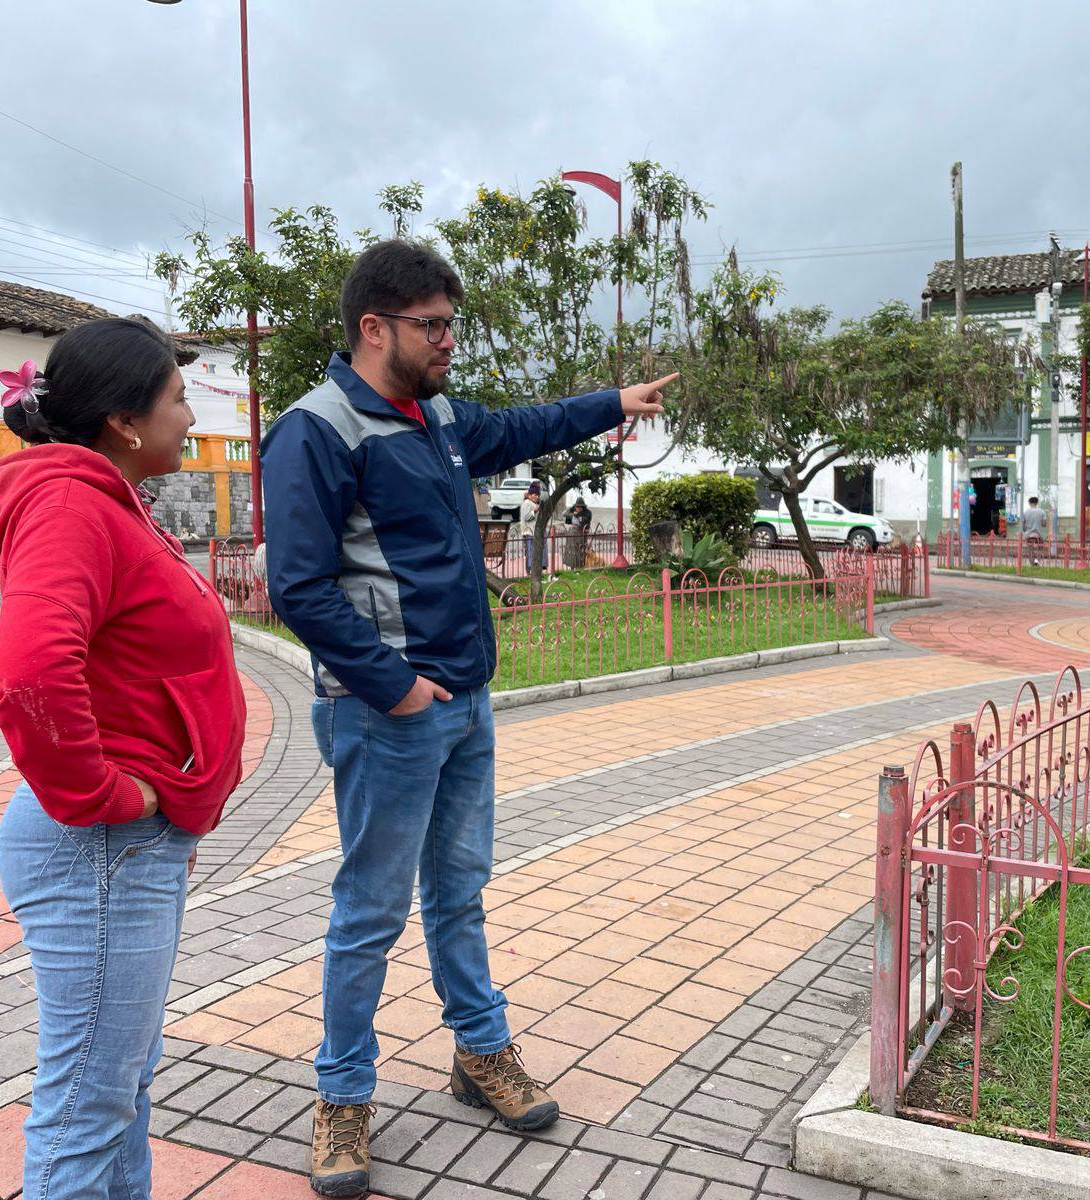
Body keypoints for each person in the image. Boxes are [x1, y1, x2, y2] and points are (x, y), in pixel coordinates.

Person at [260, 239, 673, 1196]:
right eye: (433, 325)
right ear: (374, 328)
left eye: (452, 323)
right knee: (370, 910)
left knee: (460, 890)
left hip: (467, 702)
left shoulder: (438, 416)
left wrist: (613, 403)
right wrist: (395, 686)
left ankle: (479, 1052)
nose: (449, 340)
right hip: (387, 715)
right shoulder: (317, 429)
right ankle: (342, 1097)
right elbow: (298, 588)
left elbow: (526, 426)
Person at [0, 319, 247, 1199]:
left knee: (118, 1089)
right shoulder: (70, 506)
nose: (191, 419)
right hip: (98, 846)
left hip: (126, 848)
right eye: (179, 399)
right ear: (125, 422)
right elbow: (29, 675)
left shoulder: (107, 499)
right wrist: (109, 797)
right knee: (88, 1107)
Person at [565, 495, 592, 568]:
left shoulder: (587, 513)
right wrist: (571, 509)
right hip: (572, 534)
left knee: (580, 551)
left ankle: (579, 566)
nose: (578, 508)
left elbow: (584, 522)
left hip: (580, 535)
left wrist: (578, 515)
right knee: (571, 551)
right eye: (577, 507)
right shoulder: (573, 513)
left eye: (580, 507)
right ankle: (572, 566)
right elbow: (564, 514)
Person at [519, 484, 540, 575]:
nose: (536, 497)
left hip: (533, 532)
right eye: (535, 494)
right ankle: (530, 570)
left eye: (537, 495)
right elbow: (526, 517)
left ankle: (533, 570)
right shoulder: (526, 503)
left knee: (533, 552)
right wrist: (534, 511)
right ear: (529, 495)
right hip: (528, 532)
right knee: (530, 552)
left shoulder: (532, 503)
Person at [1018, 495, 1046, 563]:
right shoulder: (1042, 511)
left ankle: (1031, 562)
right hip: (1039, 534)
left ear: (1029, 503)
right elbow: (1044, 524)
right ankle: (1037, 561)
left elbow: (1023, 524)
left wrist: (1025, 530)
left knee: (1029, 549)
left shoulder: (1025, 512)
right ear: (1037, 503)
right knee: (1040, 548)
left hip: (1028, 534)